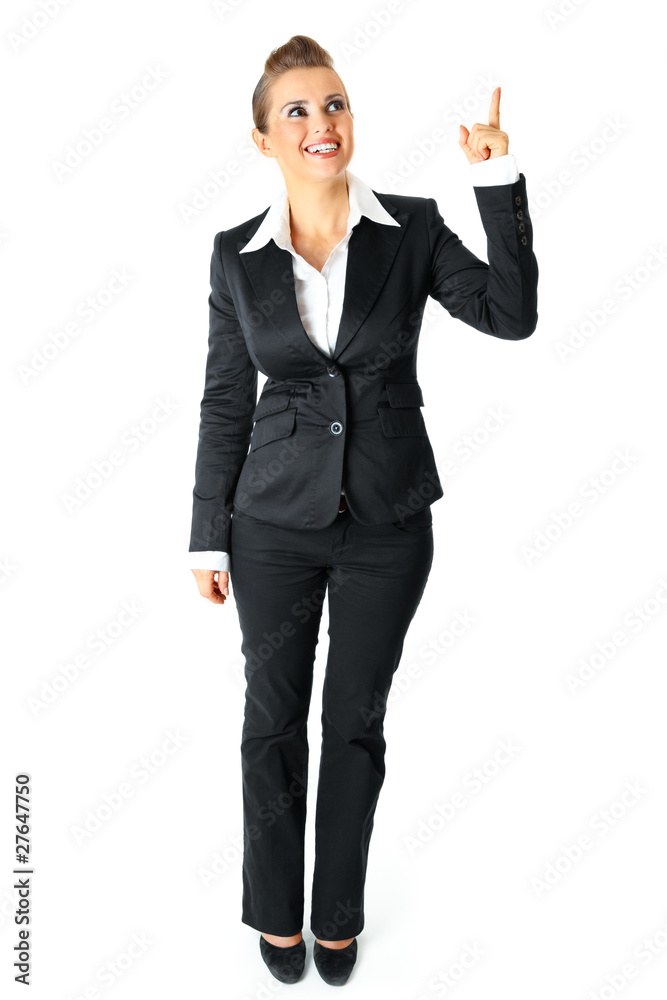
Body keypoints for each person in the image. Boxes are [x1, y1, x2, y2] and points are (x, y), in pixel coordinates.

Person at [187, 34, 538, 986]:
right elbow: (225, 401)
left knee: (353, 723)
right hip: (270, 526)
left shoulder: (410, 228)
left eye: (334, 103)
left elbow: (509, 316)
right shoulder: (235, 256)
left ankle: (336, 913)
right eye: (297, 110)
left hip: (387, 524)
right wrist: (206, 537)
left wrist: (493, 177)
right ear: (263, 139)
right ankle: (273, 910)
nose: (321, 123)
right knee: (271, 722)